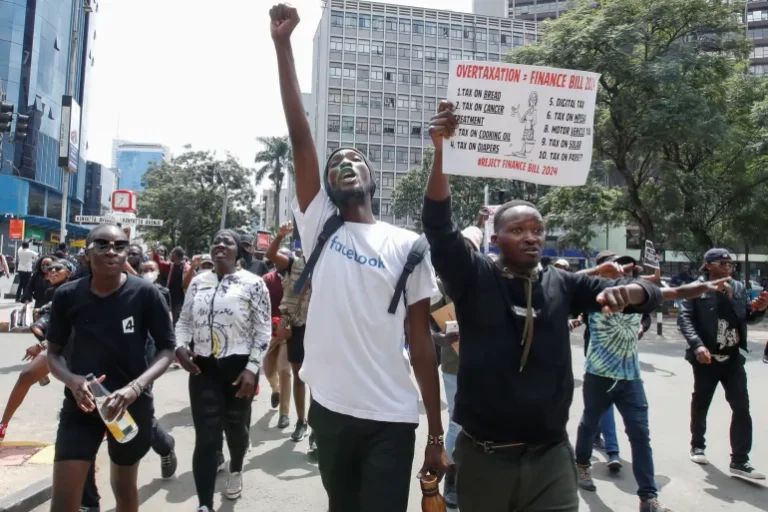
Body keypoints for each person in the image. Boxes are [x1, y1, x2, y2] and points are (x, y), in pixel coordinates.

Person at [422, 100, 665, 512]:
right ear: (495, 239)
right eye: (517, 229)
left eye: (538, 229)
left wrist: (635, 293)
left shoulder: (564, 282)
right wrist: (442, 151)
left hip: (552, 457)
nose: (531, 237)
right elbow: (438, 228)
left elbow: (650, 289)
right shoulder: (473, 276)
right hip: (485, 457)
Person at [272, 5, 448, 510]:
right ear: (324, 187)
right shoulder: (319, 223)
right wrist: (282, 46)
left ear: (373, 181)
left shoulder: (408, 246)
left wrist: (435, 435)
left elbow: (422, 343)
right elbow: (300, 133)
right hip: (329, 409)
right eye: (336, 164)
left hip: (392, 416)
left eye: (356, 161)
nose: (346, 163)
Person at [45, 224, 176, 512]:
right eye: (102, 244)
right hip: (82, 407)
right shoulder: (67, 296)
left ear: (128, 252)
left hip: (131, 408)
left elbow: (168, 348)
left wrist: (135, 388)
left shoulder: (145, 294)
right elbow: (52, 354)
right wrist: (71, 381)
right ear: (87, 252)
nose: (111, 251)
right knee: (64, 502)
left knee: (124, 489)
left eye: (120, 246)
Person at [175, 229, 271, 512]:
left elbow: (263, 330)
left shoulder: (253, 284)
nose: (219, 245)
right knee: (206, 437)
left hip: (238, 370)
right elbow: (183, 323)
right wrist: (180, 347)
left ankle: (237, 468)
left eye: (226, 241)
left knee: (236, 430)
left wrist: (252, 369)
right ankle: (204, 504)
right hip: (203, 369)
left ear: (237, 251)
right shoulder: (197, 283)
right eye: (215, 240)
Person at [678, 248, 768, 480]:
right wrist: (697, 345)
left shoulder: (737, 288)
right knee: (701, 402)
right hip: (706, 357)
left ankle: (740, 460)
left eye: (730, 263)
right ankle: (697, 445)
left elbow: (745, 317)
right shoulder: (696, 288)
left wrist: (759, 309)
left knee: (741, 407)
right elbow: (685, 319)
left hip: (732, 358)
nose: (728, 266)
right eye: (722, 262)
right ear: (707, 265)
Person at [266, 222, 312, 443]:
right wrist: (280, 236)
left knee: (319, 380)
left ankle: (317, 427)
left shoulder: (329, 264)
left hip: (321, 327)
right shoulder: (294, 263)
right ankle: (301, 421)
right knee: (298, 375)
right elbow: (271, 254)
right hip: (297, 325)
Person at [261, 259, 293, 430]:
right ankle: (276, 390)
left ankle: (284, 414)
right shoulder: (267, 280)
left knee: (284, 370)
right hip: (270, 332)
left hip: (289, 333)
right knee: (268, 369)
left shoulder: (296, 280)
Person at [152, 246, 190, 325]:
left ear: (176, 255)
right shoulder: (171, 266)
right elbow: (160, 264)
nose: (170, 255)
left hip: (181, 300)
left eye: (172, 254)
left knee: (177, 321)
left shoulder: (187, 268)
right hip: (171, 298)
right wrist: (155, 255)